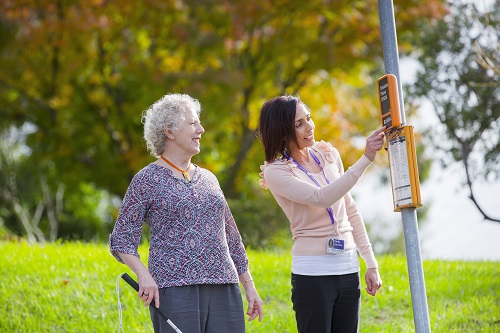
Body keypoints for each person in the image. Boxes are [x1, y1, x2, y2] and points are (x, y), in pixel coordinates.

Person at [110, 93, 263, 333]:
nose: (201, 129)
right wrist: (144, 275)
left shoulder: (209, 179)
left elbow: (232, 237)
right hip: (174, 289)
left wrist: (249, 285)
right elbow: (121, 240)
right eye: (193, 123)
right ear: (169, 131)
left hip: (224, 285)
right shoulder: (146, 179)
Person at [257, 95, 383, 333]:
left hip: (348, 267)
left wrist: (371, 262)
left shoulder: (327, 153)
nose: (310, 126)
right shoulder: (277, 172)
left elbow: (350, 209)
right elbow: (321, 197)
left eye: (309, 118)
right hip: (313, 274)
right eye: (299, 124)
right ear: (282, 131)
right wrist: (366, 159)